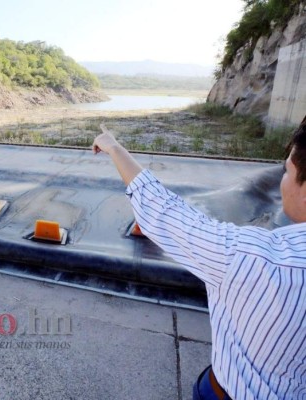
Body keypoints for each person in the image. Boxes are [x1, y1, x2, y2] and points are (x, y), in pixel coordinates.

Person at [92, 123, 306, 400]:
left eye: (287, 171)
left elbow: (164, 211)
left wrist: (114, 147)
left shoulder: (253, 256)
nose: (282, 182)